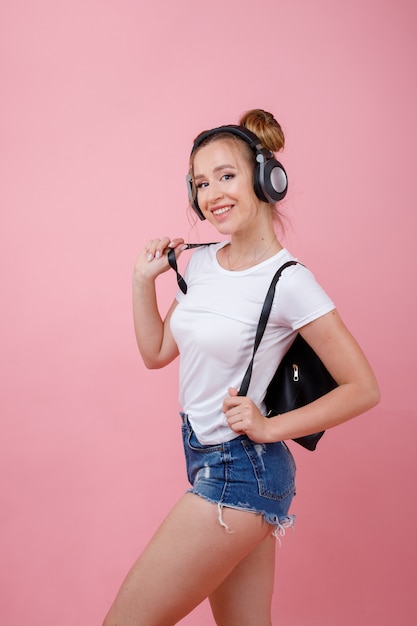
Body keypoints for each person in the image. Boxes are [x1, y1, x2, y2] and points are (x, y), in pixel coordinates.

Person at [103, 109, 380, 626]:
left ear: (264, 180)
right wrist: (144, 282)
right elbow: (157, 352)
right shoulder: (200, 264)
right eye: (201, 183)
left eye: (226, 176)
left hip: (241, 471)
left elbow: (363, 388)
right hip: (204, 455)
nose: (212, 194)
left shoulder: (289, 280)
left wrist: (270, 425)